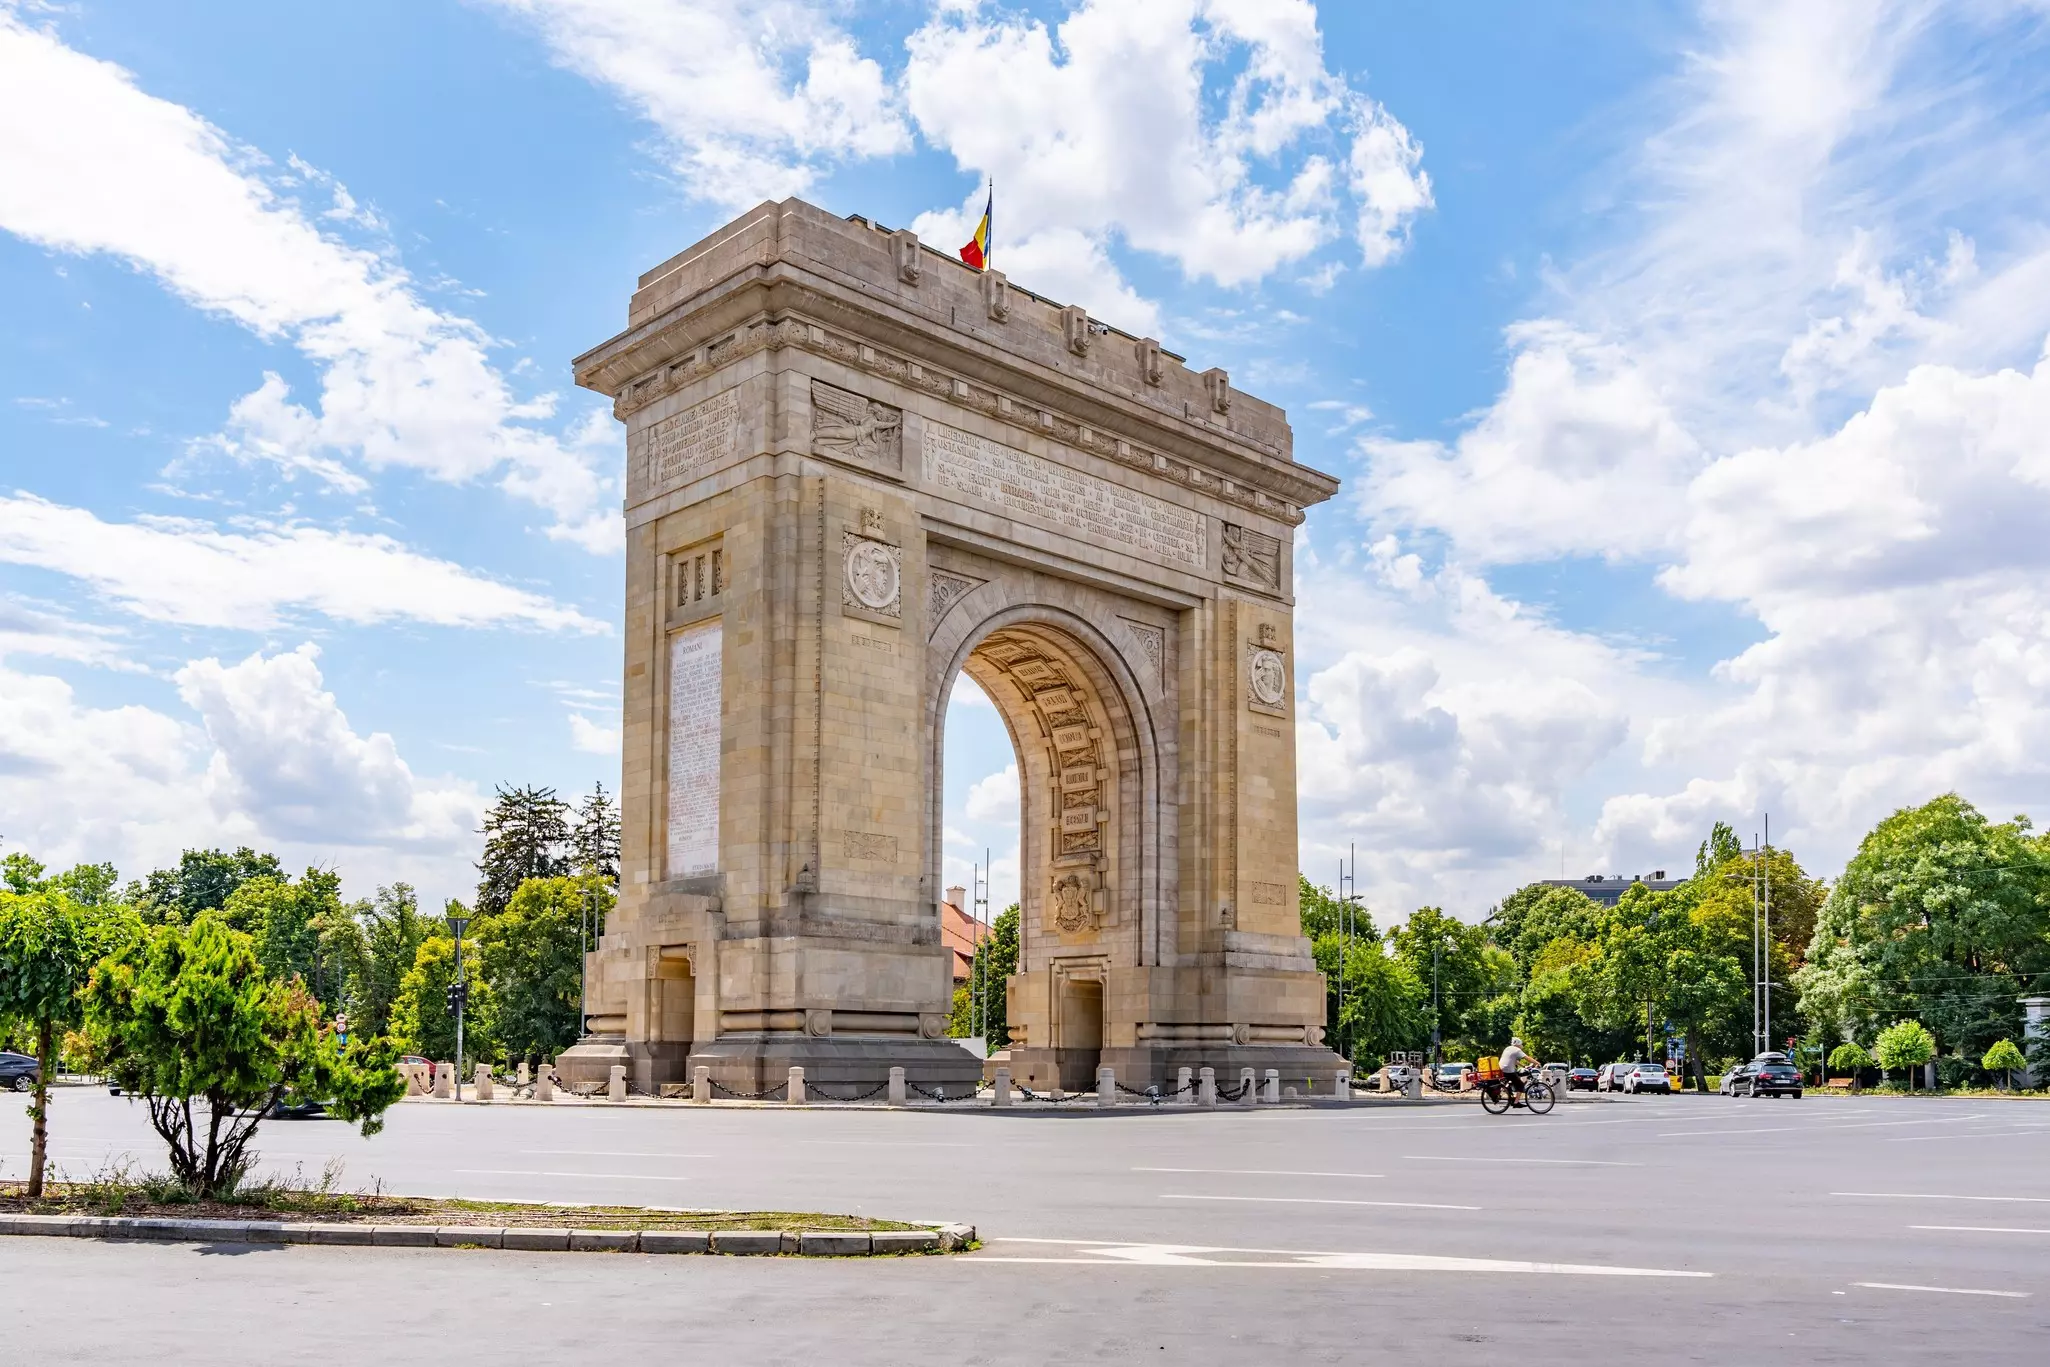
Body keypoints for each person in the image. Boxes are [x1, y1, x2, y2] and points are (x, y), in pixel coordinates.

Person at [1498, 1036, 1530, 1101]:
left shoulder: (1508, 1048)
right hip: (1508, 1070)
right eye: (1521, 1044)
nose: (1522, 1045)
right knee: (1521, 1085)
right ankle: (1516, 1102)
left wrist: (1523, 1066)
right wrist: (1537, 1063)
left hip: (1501, 1069)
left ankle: (1509, 1094)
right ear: (1518, 1044)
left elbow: (1515, 1061)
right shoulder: (1517, 1050)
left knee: (1511, 1081)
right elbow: (1527, 1058)